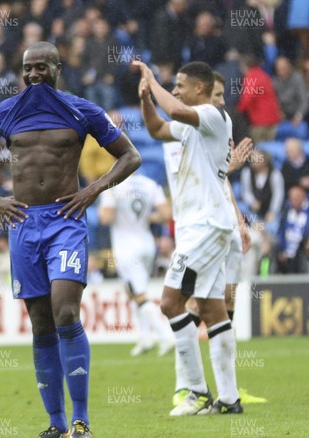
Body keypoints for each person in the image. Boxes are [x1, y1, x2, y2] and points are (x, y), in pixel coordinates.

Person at [0, 42, 141, 438]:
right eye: (28, 69)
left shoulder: (82, 109)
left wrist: (93, 190)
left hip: (65, 221)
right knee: (40, 323)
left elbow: (130, 156)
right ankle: (56, 425)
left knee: (66, 313)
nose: (35, 75)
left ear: (58, 68)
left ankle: (82, 420)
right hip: (23, 223)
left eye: (42, 67)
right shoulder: (5, 112)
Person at [135, 59, 242, 415]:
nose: (176, 89)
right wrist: (146, 97)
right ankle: (229, 399)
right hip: (204, 227)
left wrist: (153, 78)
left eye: (180, 84)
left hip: (207, 227)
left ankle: (196, 391)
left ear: (200, 88)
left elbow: (177, 110)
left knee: (169, 303)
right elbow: (155, 130)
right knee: (212, 310)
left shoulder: (212, 114)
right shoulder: (193, 128)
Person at [170, 72, 266, 407]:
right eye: (218, 95)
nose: (222, 102)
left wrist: (239, 218)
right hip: (202, 231)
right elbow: (197, 184)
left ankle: (228, 390)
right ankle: (188, 387)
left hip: (224, 226)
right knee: (194, 304)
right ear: (202, 93)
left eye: (225, 95)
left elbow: (218, 181)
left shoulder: (213, 129)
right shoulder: (185, 133)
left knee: (226, 302)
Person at [98, 173, 174, 357]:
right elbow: (166, 215)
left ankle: (166, 335)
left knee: (139, 294)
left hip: (126, 247)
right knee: (133, 290)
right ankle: (145, 337)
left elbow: (106, 218)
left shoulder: (113, 185)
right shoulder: (150, 183)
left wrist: (104, 204)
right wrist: (148, 217)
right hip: (147, 244)